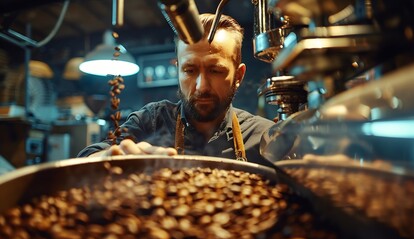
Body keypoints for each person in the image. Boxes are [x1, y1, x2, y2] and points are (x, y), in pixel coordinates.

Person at [78, 13, 275, 166]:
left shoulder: (266, 136)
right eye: (190, 70)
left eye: (215, 70)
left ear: (238, 76)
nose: (201, 86)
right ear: (178, 71)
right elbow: (88, 157)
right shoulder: (152, 121)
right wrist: (110, 156)